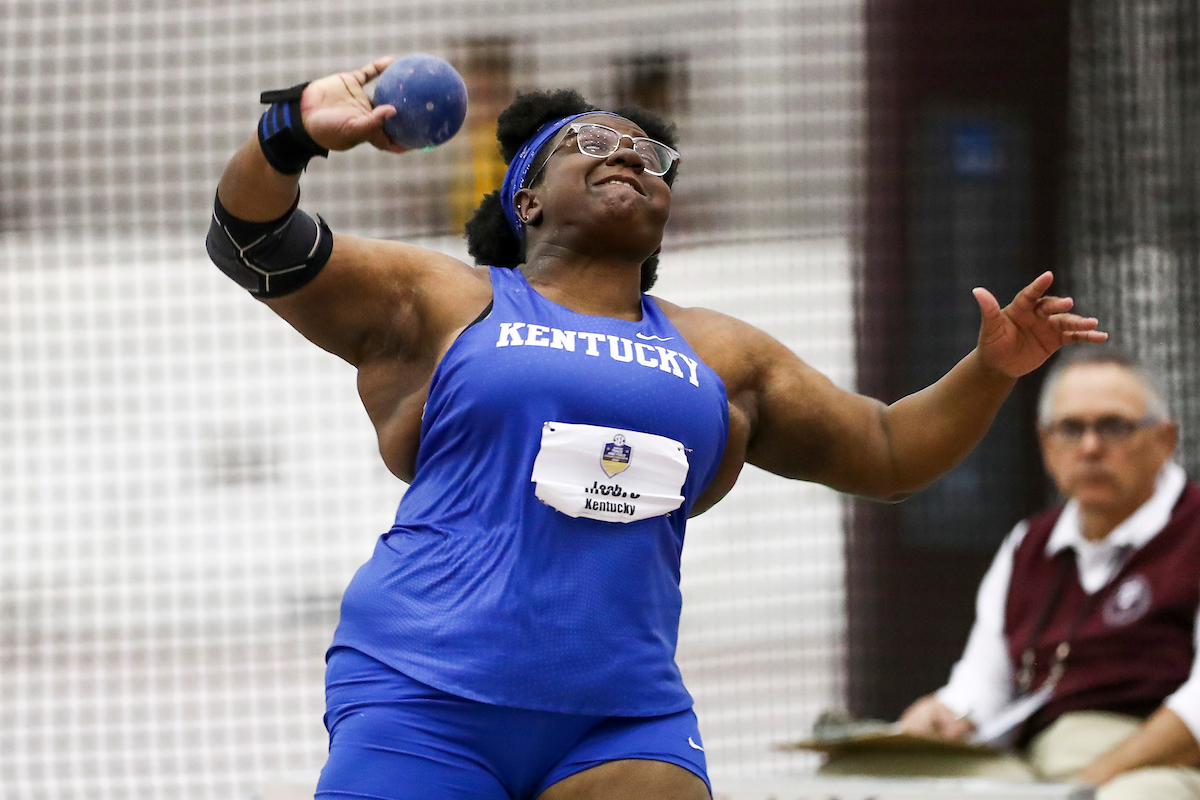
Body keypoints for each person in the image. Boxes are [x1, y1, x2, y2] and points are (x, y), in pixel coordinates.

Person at [206, 56, 1104, 800]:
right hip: (423, 692)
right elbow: (252, 239)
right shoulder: (450, 300)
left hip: (621, 717)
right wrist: (288, 130)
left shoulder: (722, 352)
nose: (628, 156)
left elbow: (891, 452)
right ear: (526, 198)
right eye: (590, 143)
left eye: (649, 153)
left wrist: (992, 369)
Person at [821, 348, 1200, 799]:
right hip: (1035, 760)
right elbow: (984, 683)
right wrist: (946, 714)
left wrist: (1089, 782)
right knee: (851, 775)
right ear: (1046, 444)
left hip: (1154, 761)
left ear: (1165, 440)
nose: (1091, 447)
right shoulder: (1028, 544)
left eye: (1114, 426)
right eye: (1071, 428)